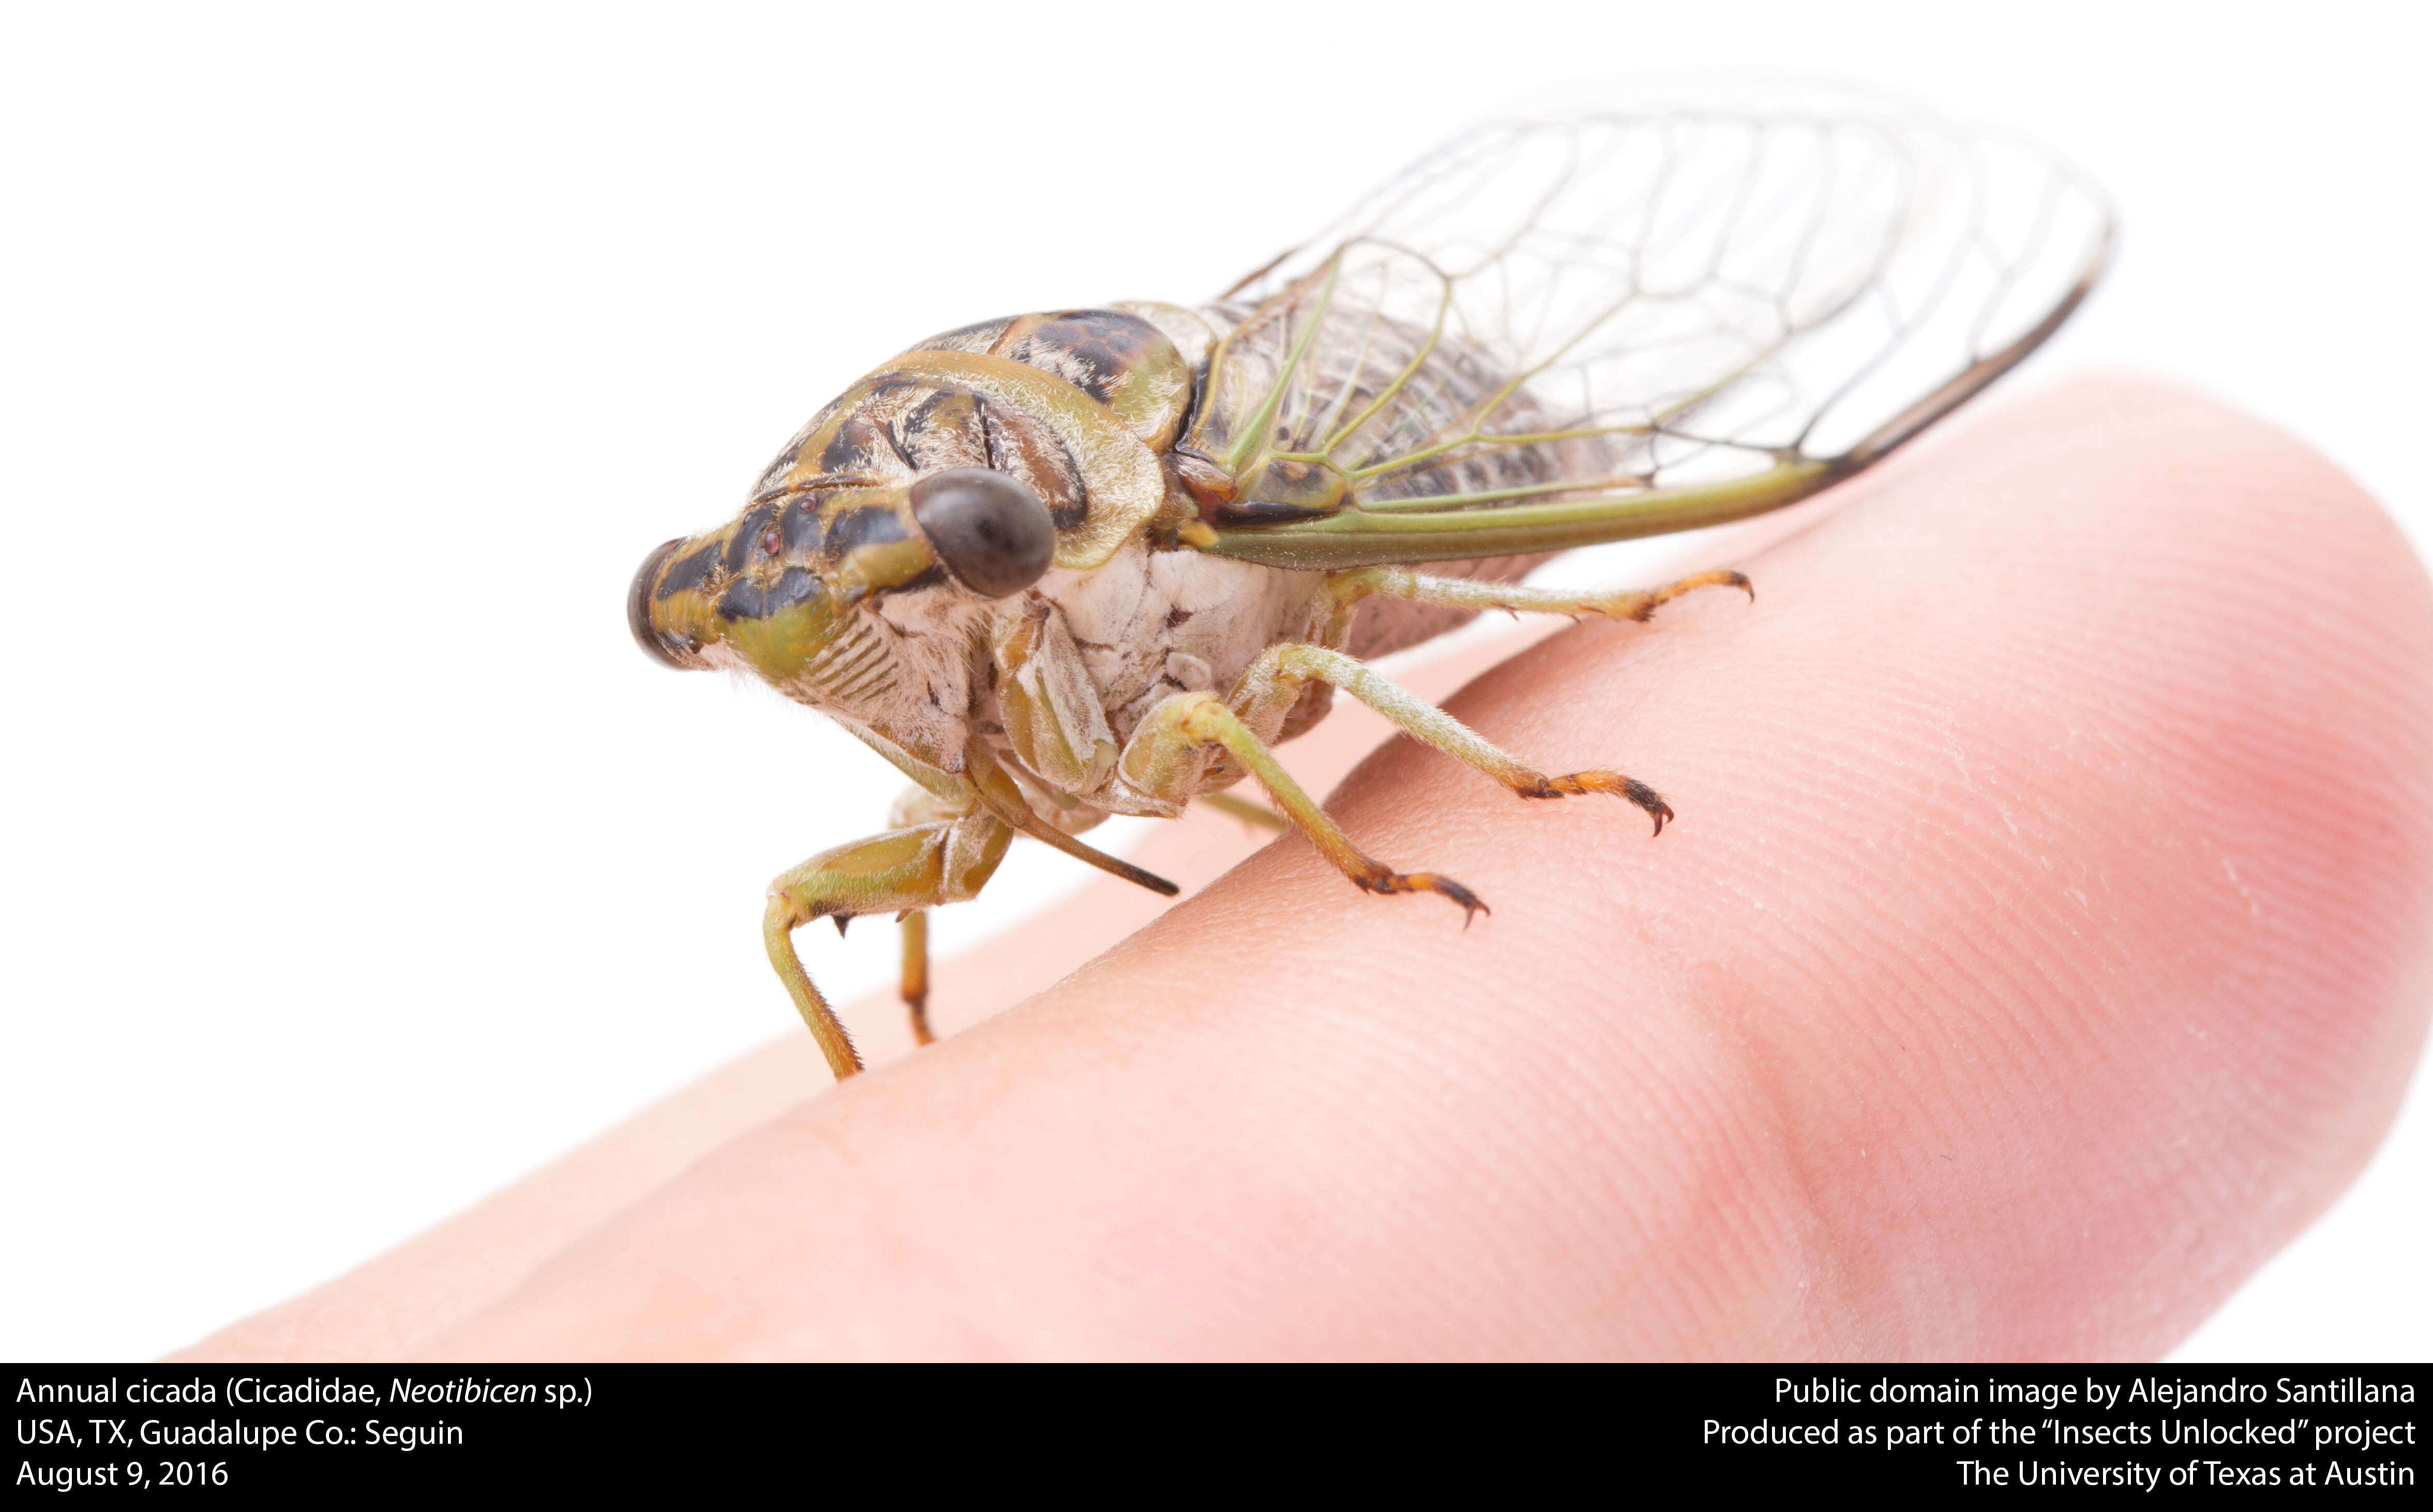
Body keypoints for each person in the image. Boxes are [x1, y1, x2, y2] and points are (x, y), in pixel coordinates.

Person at [184, 380, 2433, 1360]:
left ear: (1021, 537)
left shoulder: (1153, 562)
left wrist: (1479, 774)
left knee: (1227, 720)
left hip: (1363, 482)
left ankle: (1551, 676)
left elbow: (1234, 711)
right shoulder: (883, 638)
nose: (847, 670)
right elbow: (889, 836)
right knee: (794, 903)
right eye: (754, 633)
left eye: (935, 584)